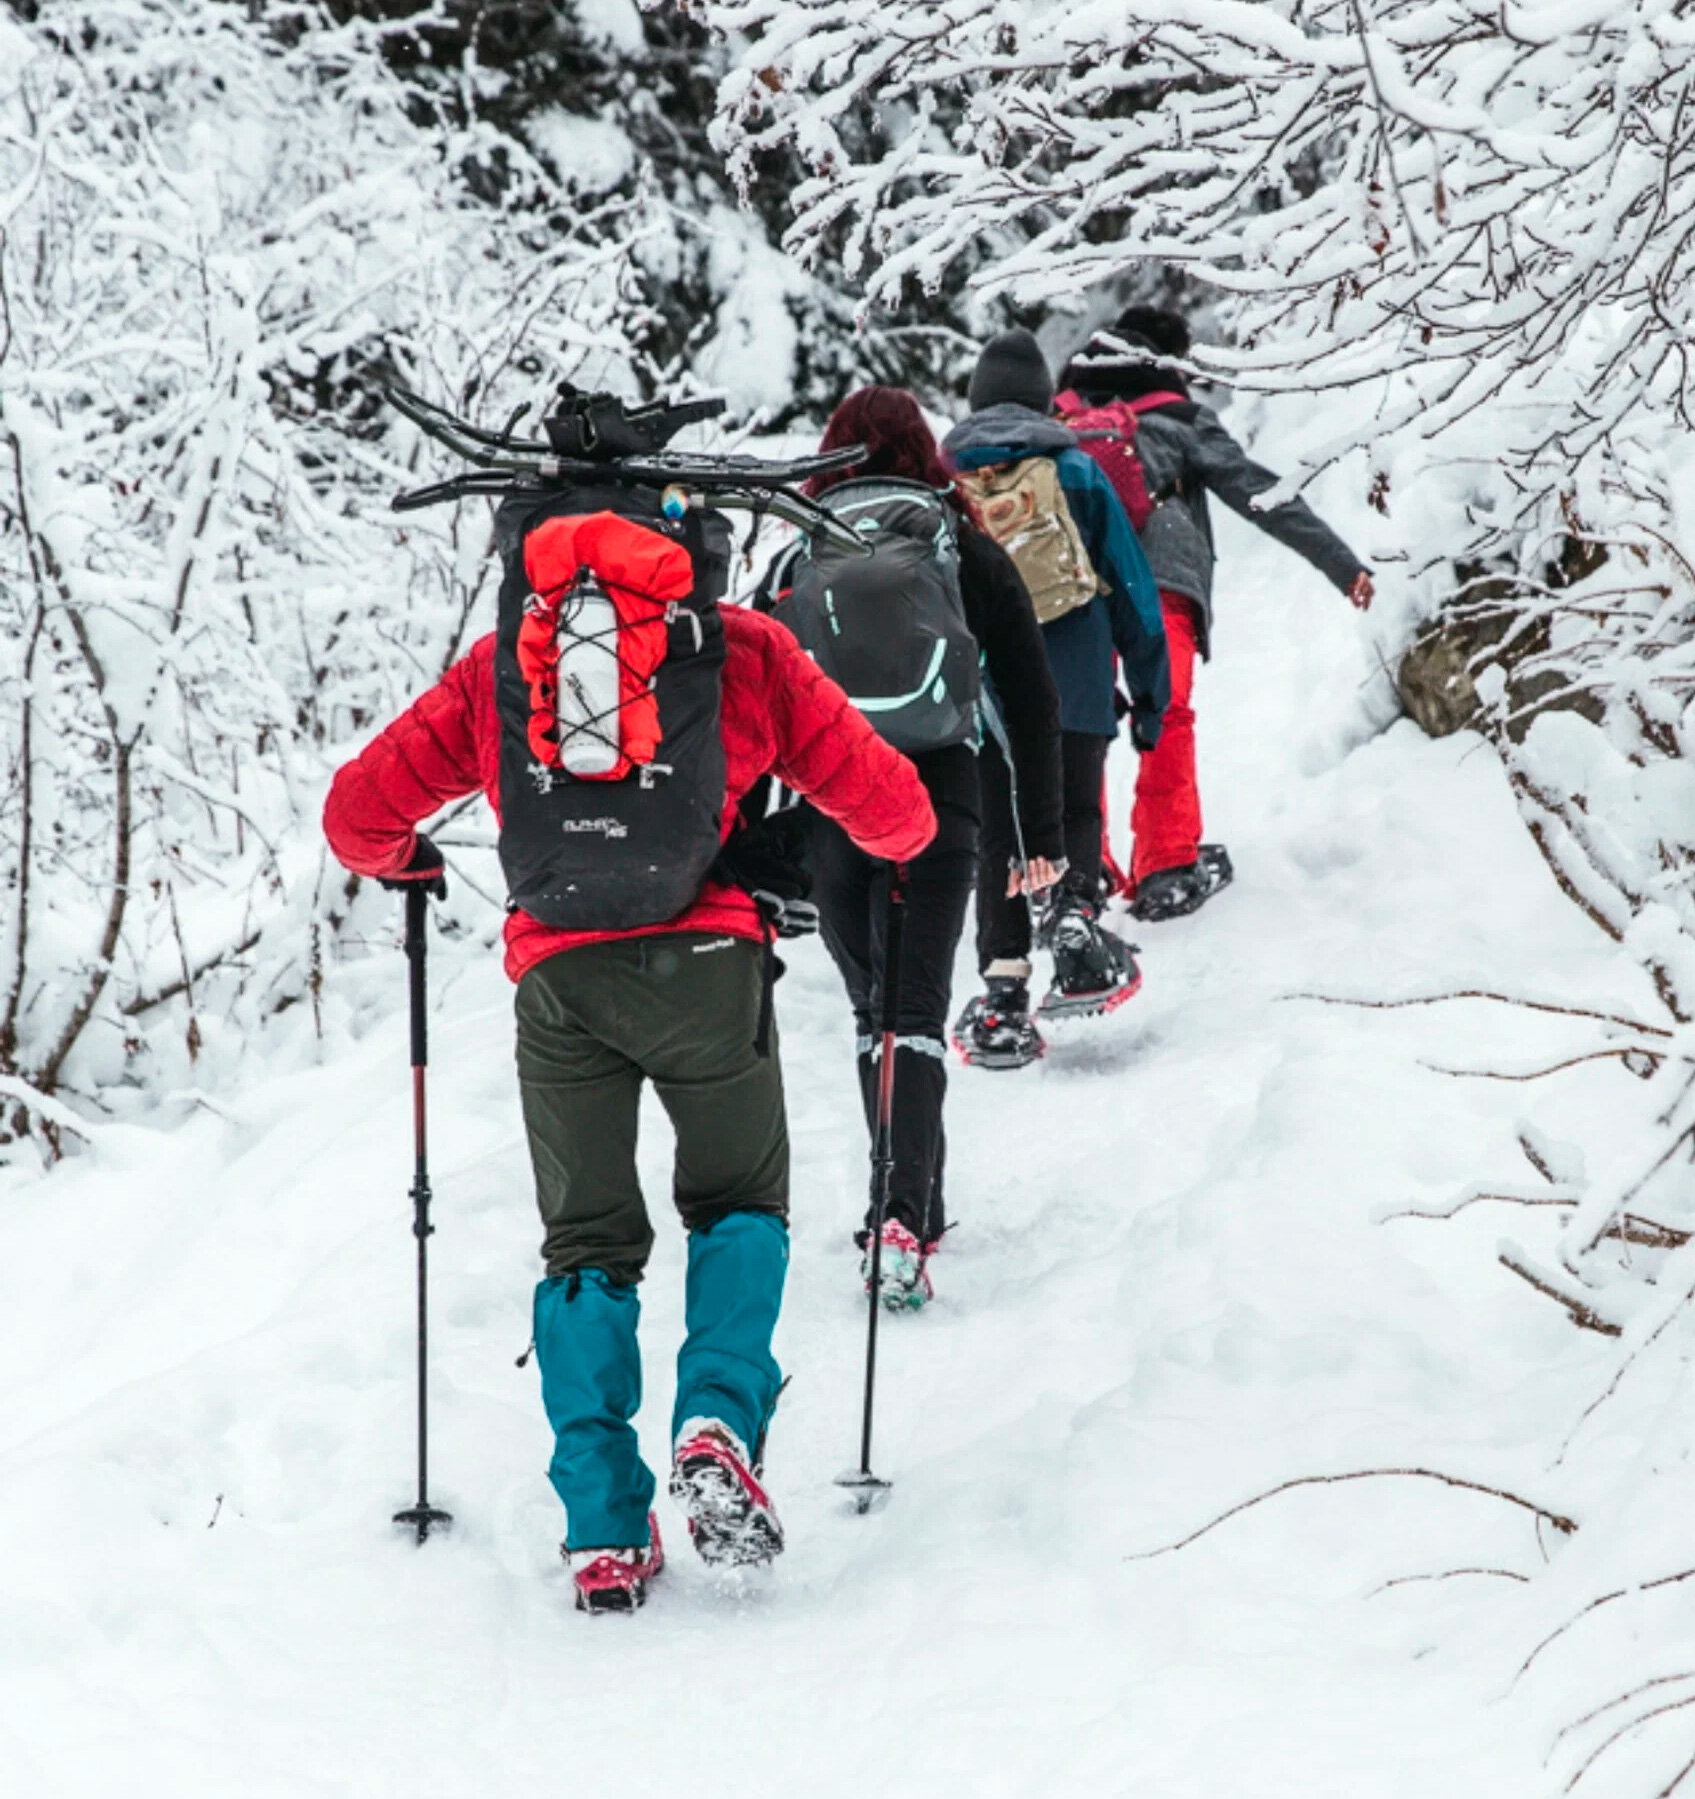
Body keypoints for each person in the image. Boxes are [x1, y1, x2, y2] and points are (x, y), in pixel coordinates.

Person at [323, 566, 934, 1611]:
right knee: (740, 1201)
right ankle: (718, 1420)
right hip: (708, 964)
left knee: (587, 1244)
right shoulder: (741, 649)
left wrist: (408, 857)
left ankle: (603, 1529)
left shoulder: (507, 668)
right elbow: (900, 817)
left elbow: (355, 815)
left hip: (561, 981)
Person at [759, 387, 1064, 1309]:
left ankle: (897, 1205)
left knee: (873, 1012)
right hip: (941, 788)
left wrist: (759, 833)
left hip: (834, 795)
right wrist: (1039, 835)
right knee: (920, 1009)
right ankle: (906, 1214)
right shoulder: (957, 542)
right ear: (924, 449)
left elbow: (755, 691)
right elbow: (1031, 693)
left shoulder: (798, 548)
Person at [1058, 305, 1374, 921]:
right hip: (1159, 583)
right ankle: (1166, 867)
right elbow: (1261, 493)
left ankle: (1080, 869)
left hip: (1074, 586)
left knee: (1078, 723)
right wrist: (1342, 565)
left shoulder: (1059, 419)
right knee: (1166, 713)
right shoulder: (1180, 418)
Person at [942, 328, 1171, 1066]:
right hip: (1071, 680)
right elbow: (1132, 585)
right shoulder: (1073, 468)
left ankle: (1003, 996)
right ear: (1047, 400)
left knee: (997, 837)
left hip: (982, 694)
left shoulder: (943, 477)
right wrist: (1150, 693)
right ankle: (1073, 924)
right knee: (1074, 807)